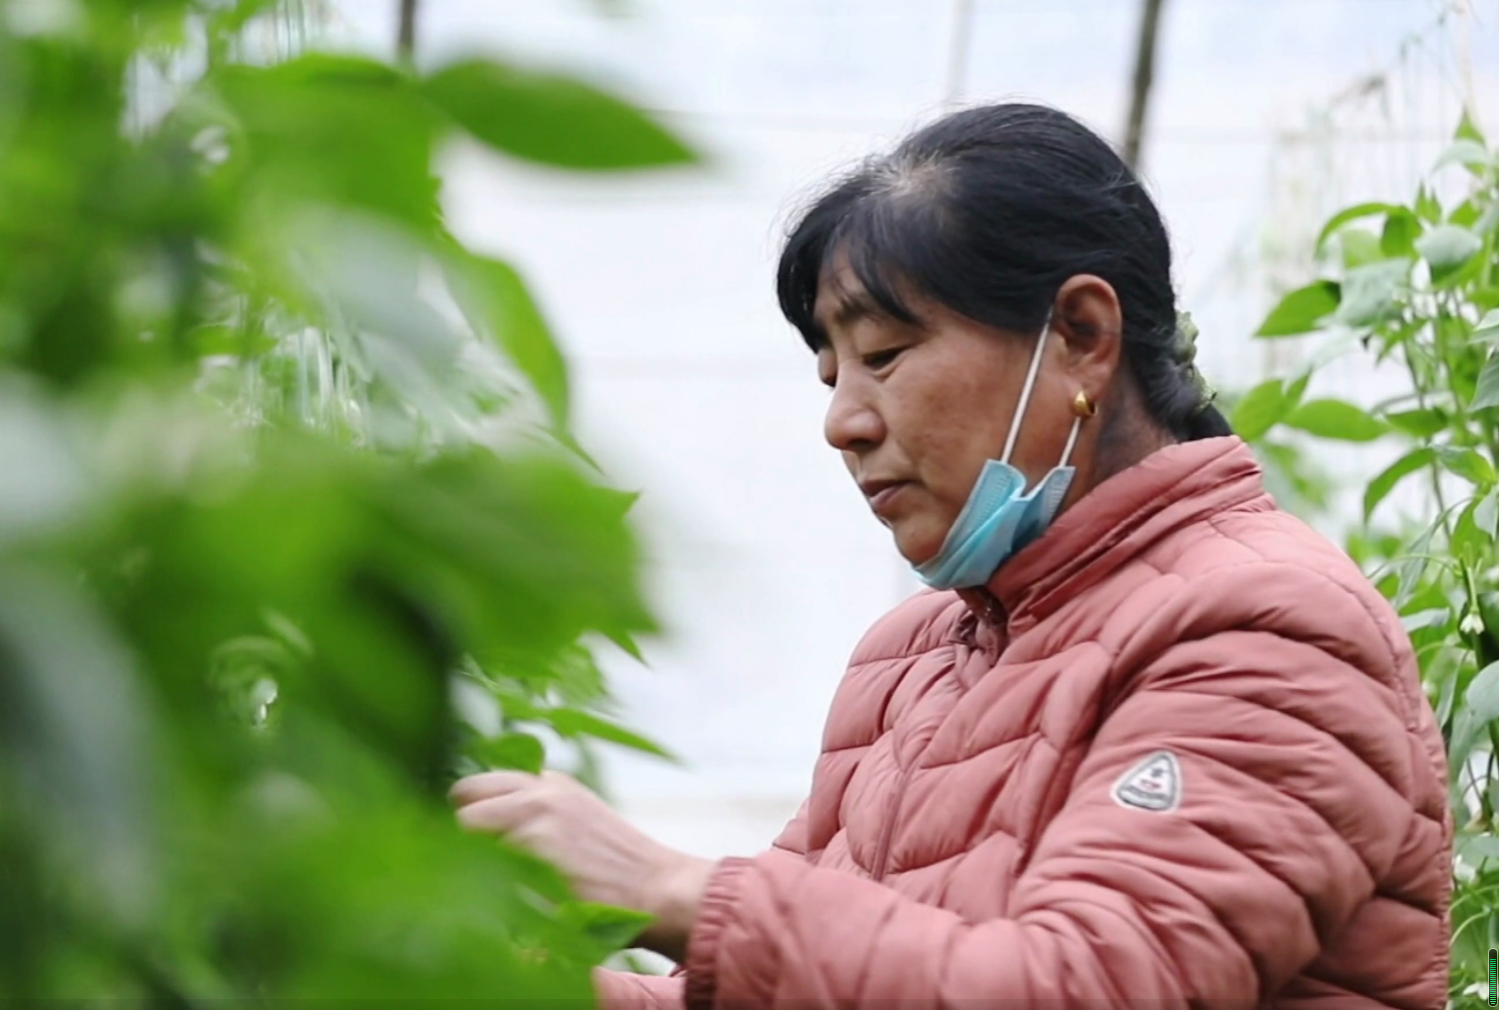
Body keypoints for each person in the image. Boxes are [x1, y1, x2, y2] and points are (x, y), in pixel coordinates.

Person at [449, 102, 1452, 1008]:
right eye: (831, 374)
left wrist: (669, 889)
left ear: (1082, 334)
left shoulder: (1266, 625)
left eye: (883, 356)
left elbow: (1090, 985)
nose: (842, 422)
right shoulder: (912, 661)